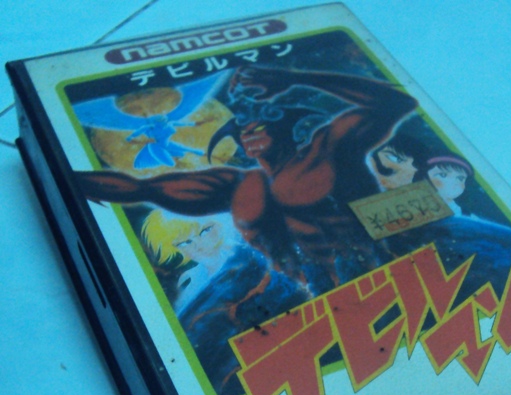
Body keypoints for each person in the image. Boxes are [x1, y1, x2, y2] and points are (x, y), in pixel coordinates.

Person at [78, 66, 418, 295]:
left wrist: (297, 78)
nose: (248, 133)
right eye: (241, 129)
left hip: (391, 269)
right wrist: (70, 180)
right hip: (313, 295)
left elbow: (396, 102)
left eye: (258, 125)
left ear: (281, 124)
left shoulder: (328, 149)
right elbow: (142, 189)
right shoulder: (237, 185)